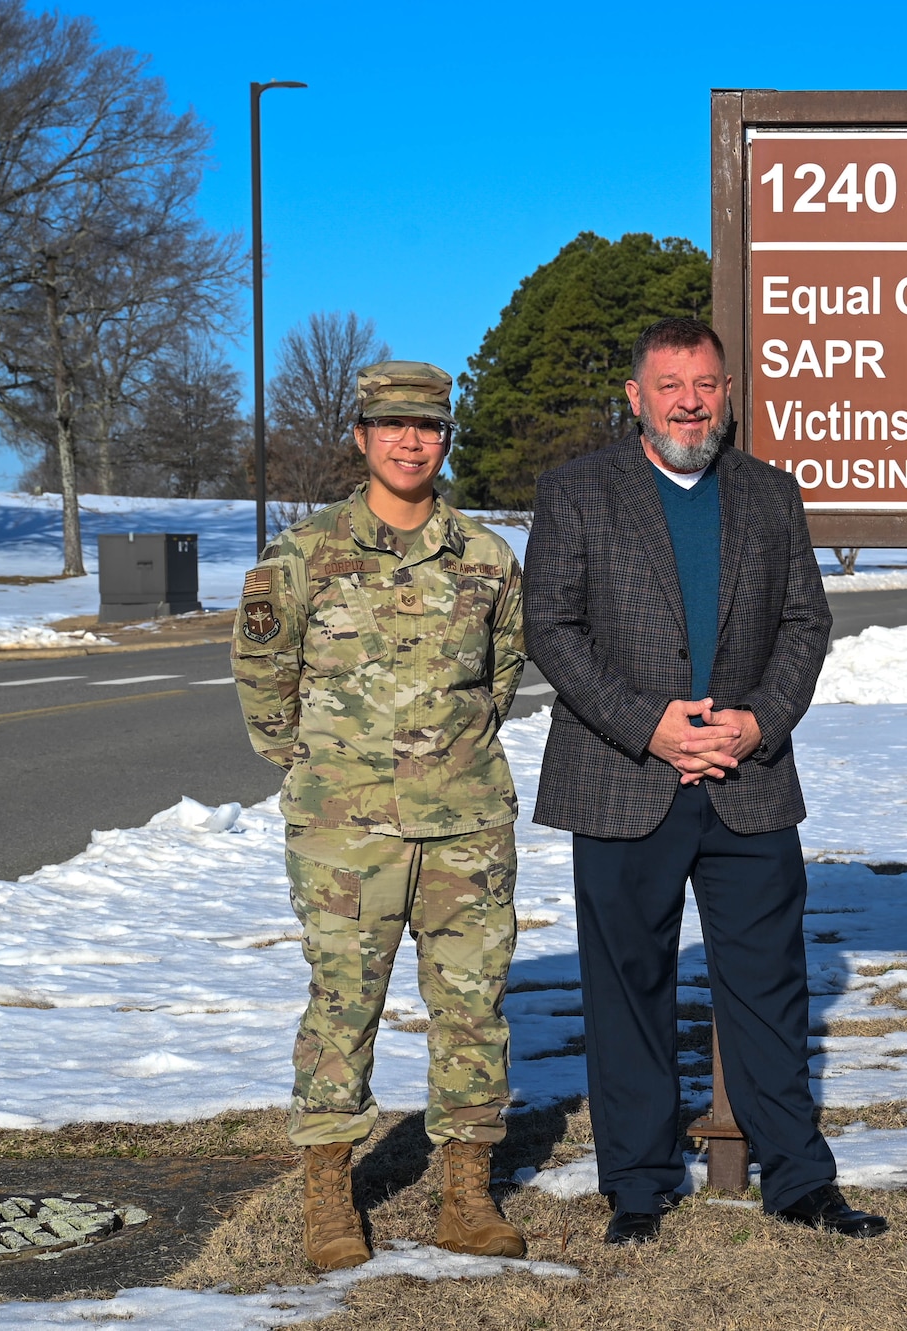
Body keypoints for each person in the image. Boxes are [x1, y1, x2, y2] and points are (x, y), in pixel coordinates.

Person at [524, 316, 885, 1244]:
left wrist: (759, 719)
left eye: (708, 383)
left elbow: (807, 624)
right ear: (636, 396)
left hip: (747, 777)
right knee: (627, 986)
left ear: (729, 392)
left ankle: (798, 1177)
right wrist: (649, 724)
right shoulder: (577, 491)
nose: (691, 400)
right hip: (620, 775)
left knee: (768, 984)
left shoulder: (770, 493)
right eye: (671, 384)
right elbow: (552, 630)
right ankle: (639, 1184)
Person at [233, 361, 529, 1270]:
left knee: (473, 1006)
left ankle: (466, 1194)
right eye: (391, 425)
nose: (410, 441)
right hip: (343, 832)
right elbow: (263, 684)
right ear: (359, 437)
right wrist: (320, 771)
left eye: (428, 426)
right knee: (343, 1004)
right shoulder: (300, 556)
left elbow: (502, 677)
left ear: (447, 439)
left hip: (466, 823)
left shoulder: (484, 557)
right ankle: (330, 1195)